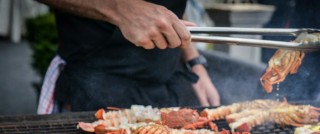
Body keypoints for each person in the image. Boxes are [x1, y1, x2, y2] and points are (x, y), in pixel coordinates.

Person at [36, 0, 220, 114]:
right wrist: (120, 8)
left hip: (165, 84)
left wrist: (195, 63)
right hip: (92, 87)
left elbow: (170, 11)